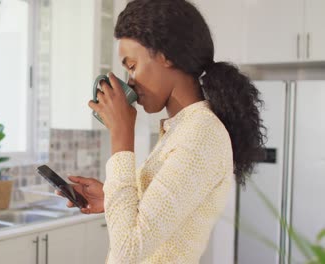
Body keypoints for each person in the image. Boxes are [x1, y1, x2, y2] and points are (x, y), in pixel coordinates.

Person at [57, 0, 265, 263]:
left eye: (132, 66)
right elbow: (156, 219)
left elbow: (128, 252)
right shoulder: (184, 128)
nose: (130, 81)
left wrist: (122, 136)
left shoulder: (202, 134)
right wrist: (112, 197)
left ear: (166, 54)